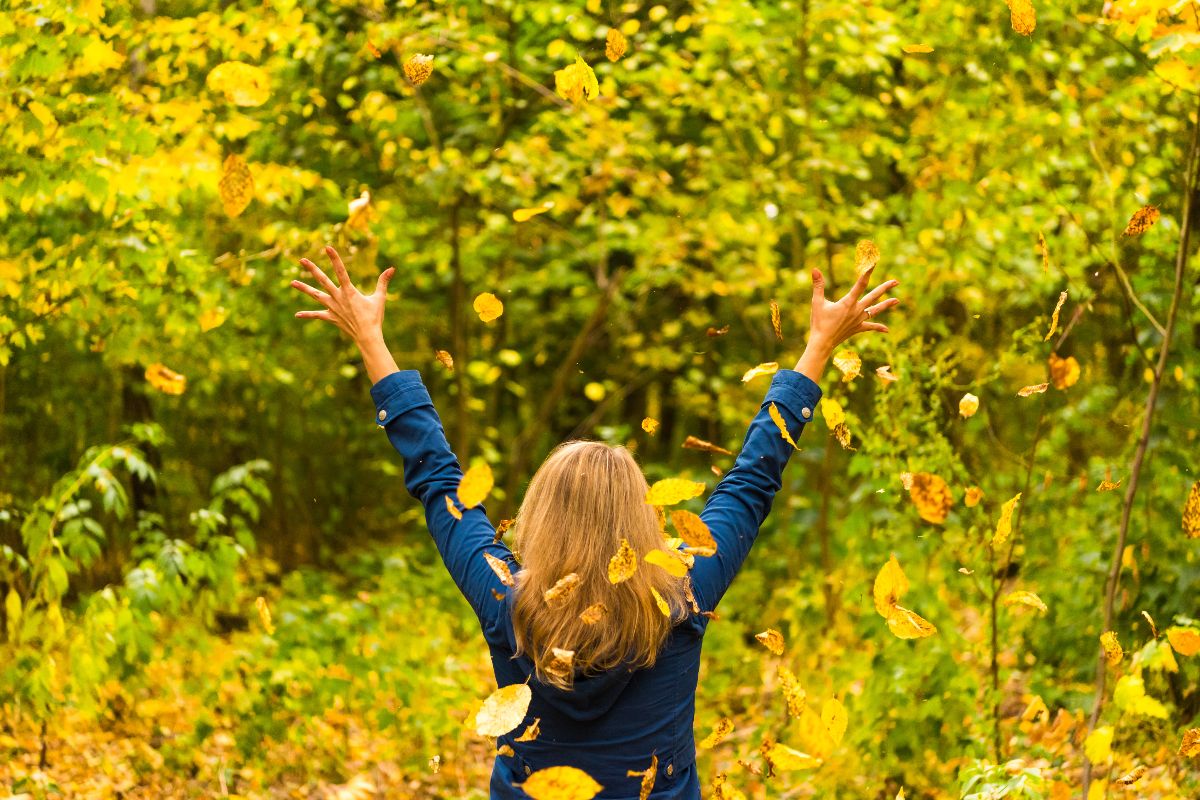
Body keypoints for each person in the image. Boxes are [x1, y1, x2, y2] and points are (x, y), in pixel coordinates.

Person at [291, 246, 900, 799]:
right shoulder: (682, 593)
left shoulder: (508, 598)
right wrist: (817, 347)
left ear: (540, 514)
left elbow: (437, 481)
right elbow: (753, 478)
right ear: (640, 519)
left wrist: (373, 340)